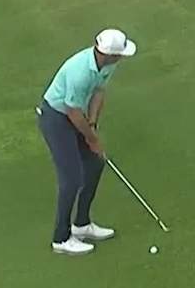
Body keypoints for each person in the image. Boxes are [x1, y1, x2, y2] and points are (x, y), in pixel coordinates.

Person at [37, 28, 137, 256]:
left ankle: (81, 224)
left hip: (76, 116)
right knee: (71, 179)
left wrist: (92, 125)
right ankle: (61, 239)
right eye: (119, 54)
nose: (122, 57)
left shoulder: (108, 64)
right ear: (109, 54)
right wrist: (92, 140)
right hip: (56, 118)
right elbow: (72, 112)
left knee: (94, 163)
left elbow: (99, 92)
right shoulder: (79, 71)